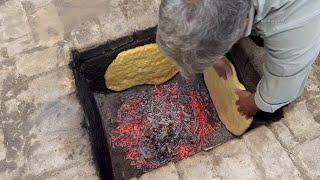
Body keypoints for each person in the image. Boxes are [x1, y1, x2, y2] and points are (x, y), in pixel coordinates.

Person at [156, 0, 320, 118]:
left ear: (243, 25)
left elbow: (286, 83)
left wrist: (254, 103)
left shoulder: (293, 27)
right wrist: (211, 57)